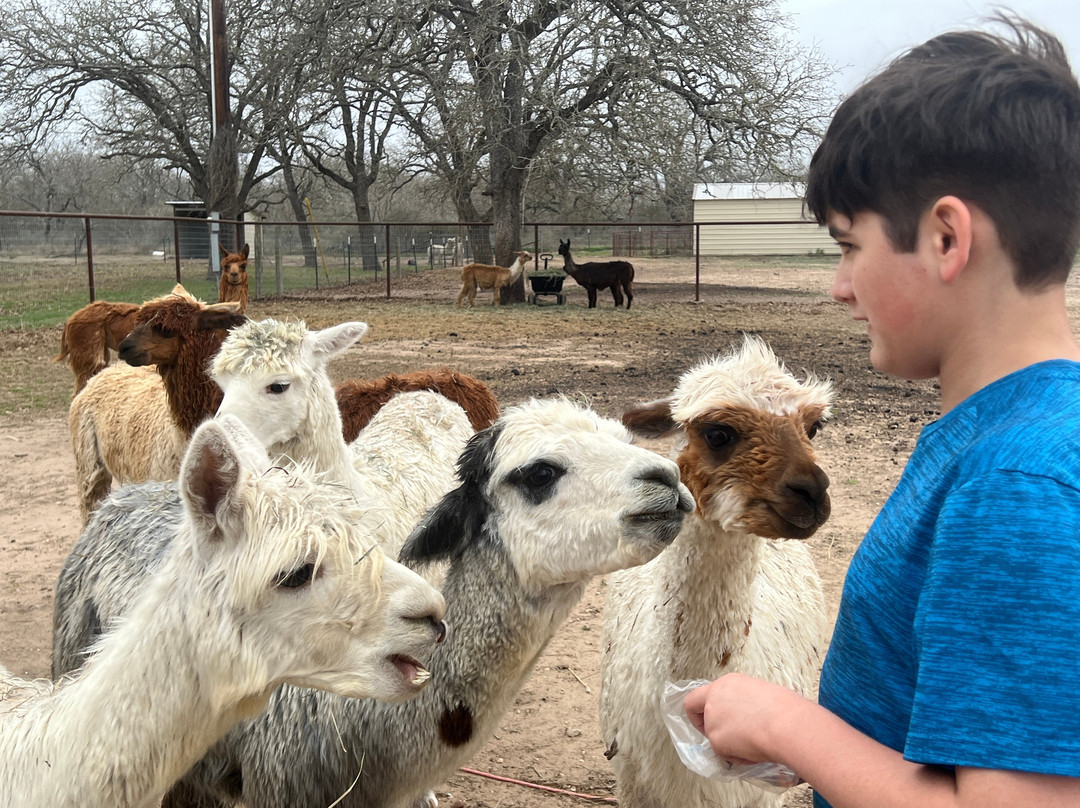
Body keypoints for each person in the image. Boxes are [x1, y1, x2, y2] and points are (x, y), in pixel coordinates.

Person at [683, 15, 1080, 808]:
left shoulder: (1016, 484)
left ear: (944, 239)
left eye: (847, 246)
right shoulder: (1008, 439)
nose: (839, 286)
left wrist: (785, 724)